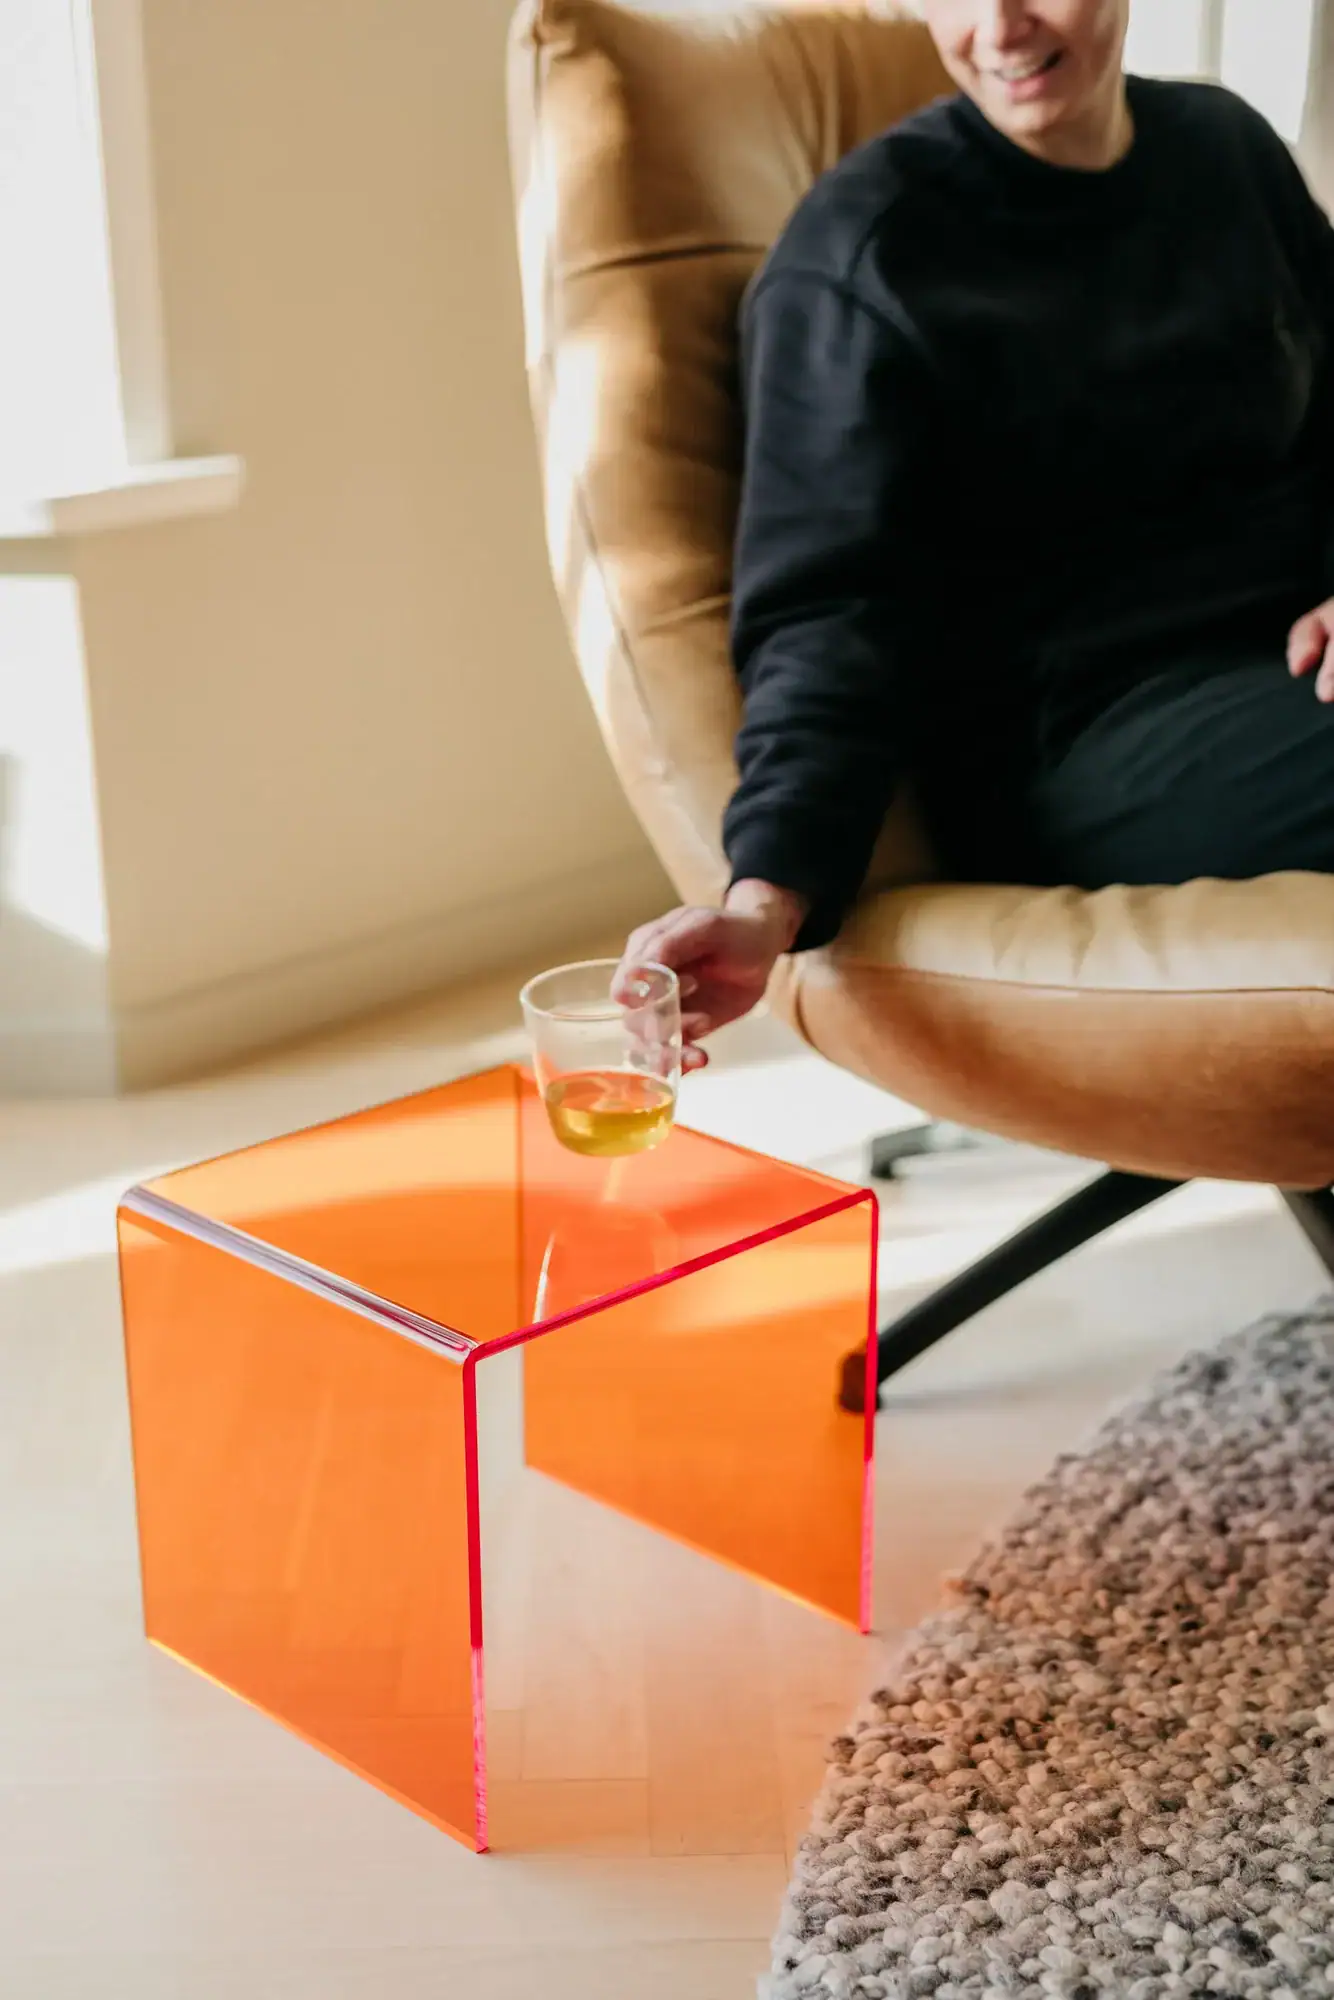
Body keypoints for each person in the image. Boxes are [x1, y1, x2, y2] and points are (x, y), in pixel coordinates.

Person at [614, 0, 1334, 1071]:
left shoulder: (1221, 147)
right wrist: (766, 894)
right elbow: (826, 616)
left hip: (1283, 653)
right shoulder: (864, 260)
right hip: (1087, 735)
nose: (998, 28)